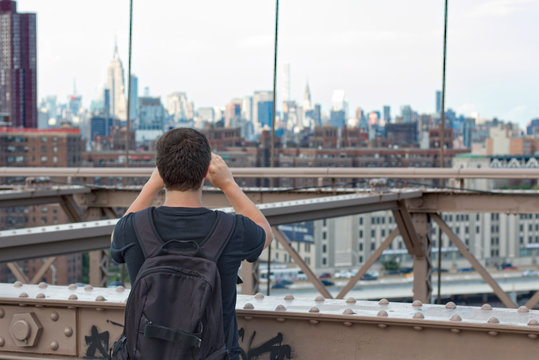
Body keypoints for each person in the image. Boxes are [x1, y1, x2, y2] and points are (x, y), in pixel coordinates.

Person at [110, 128, 272, 359]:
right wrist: (228, 184)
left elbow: (116, 236)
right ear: (207, 171)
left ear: (161, 171)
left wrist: (151, 184)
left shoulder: (134, 228)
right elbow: (266, 232)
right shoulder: (232, 228)